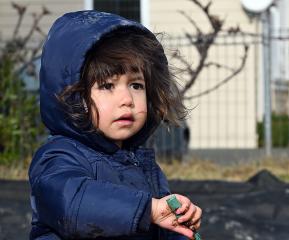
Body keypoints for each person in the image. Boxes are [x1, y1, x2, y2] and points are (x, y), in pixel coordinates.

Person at [29, 10, 202, 240]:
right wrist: (148, 210)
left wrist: (179, 225)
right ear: (74, 97)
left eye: (136, 85)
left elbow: (159, 227)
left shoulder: (143, 164)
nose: (127, 100)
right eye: (107, 86)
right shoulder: (59, 157)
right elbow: (73, 204)